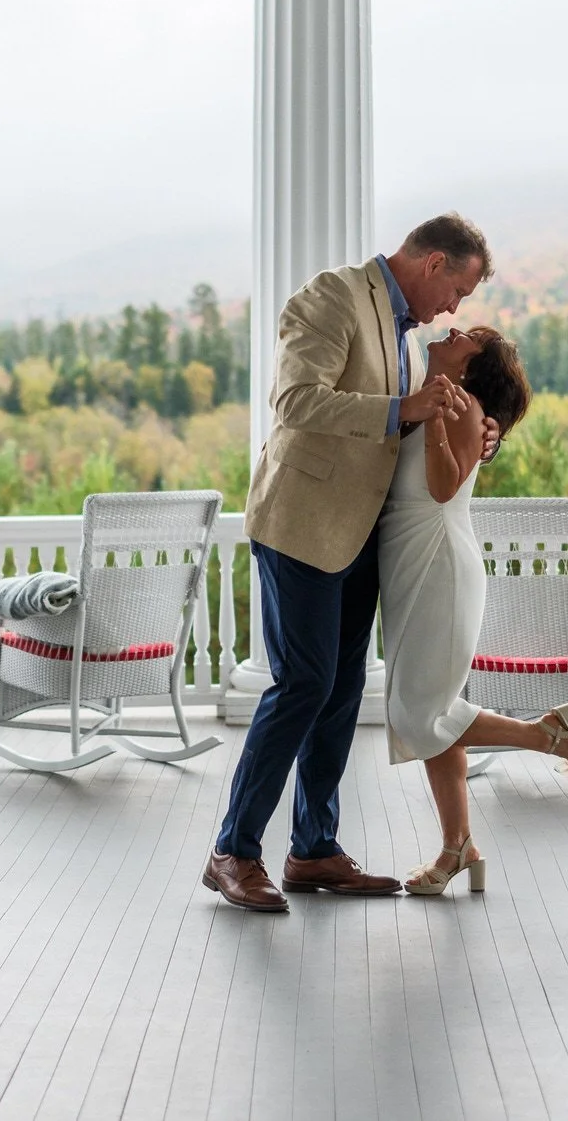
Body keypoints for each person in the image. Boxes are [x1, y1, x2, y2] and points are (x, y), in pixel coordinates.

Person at [203, 214, 499, 913]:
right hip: (303, 524)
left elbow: (400, 432)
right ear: (431, 262)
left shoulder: (404, 335)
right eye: (455, 289)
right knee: (303, 683)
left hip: (359, 530)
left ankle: (313, 849)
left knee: (338, 690)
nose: (453, 309)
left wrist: (473, 425)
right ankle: (233, 851)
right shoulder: (332, 297)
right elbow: (296, 402)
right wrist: (406, 405)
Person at [380, 325, 568, 897]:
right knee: (433, 713)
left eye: (468, 338)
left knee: (419, 714)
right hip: (417, 566)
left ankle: (546, 737)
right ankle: (459, 848)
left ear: (471, 368)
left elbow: (441, 488)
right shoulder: (443, 396)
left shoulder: (458, 404)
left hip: (438, 568)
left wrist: (430, 422)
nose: (453, 330)